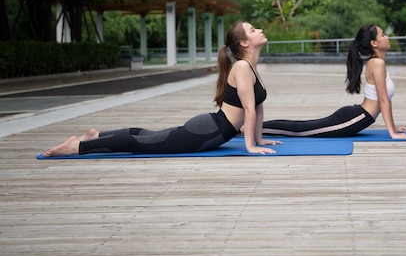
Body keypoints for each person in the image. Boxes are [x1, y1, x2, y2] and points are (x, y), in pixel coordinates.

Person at [43, 21, 282, 157]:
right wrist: (250, 147)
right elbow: (248, 110)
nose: (259, 30)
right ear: (243, 43)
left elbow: (258, 107)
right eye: (252, 30)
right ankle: (77, 146)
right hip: (208, 131)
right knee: (143, 144)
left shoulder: (250, 66)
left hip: (212, 128)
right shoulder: (241, 66)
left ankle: (95, 136)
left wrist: (260, 139)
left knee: (147, 135)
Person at [263, 24, 406, 140]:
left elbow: (385, 99)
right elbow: (382, 100)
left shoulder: (377, 63)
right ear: (374, 43)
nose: (387, 37)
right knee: (300, 130)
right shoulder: (377, 63)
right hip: (354, 118)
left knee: (302, 127)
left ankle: (255, 128)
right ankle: (252, 130)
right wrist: (392, 133)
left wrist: (394, 127)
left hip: (357, 115)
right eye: (383, 35)